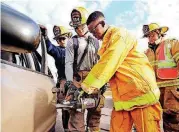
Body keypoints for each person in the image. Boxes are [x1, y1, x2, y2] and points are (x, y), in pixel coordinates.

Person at [79, 11, 163, 132]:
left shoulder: (119, 35)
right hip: (123, 99)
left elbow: (107, 63)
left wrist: (85, 87)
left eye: (93, 30)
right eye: (90, 32)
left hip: (141, 94)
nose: (93, 34)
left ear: (102, 23)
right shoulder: (107, 45)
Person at [65, 7, 105, 132]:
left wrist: (103, 81)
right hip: (78, 80)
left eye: (81, 26)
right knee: (77, 114)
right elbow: (68, 63)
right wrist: (70, 83)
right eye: (76, 27)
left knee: (95, 114)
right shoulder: (72, 42)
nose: (79, 30)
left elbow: (102, 61)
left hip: (94, 79)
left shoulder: (97, 41)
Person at [142, 23, 179, 132]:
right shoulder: (146, 53)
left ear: (160, 34)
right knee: (152, 121)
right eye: (148, 36)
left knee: (173, 121)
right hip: (154, 93)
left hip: (171, 91)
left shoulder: (172, 44)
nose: (150, 38)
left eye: (152, 35)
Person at [40, 25, 72, 132]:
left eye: (63, 38)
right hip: (64, 84)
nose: (60, 41)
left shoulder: (76, 50)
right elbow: (49, 48)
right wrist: (45, 36)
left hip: (77, 84)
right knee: (66, 110)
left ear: (69, 38)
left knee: (78, 109)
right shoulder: (58, 51)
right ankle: (67, 129)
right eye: (58, 39)